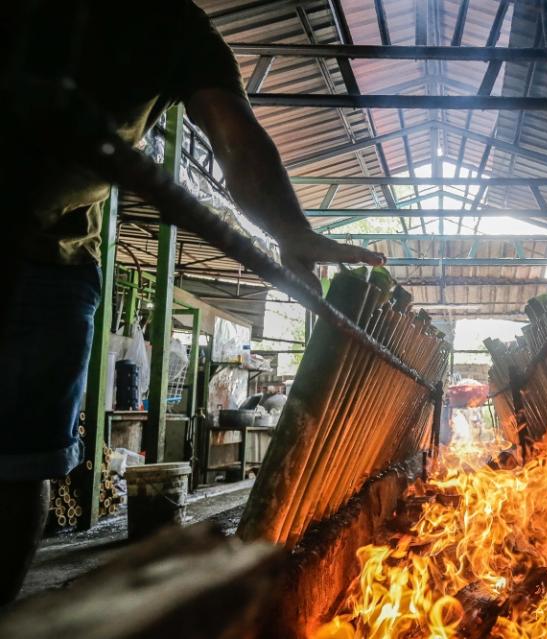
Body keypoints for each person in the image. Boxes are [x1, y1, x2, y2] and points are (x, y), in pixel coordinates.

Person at [0, 0, 383, 602]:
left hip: (49, 256)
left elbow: (236, 139)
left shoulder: (171, 23)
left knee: (22, 461)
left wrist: (291, 230)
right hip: (48, 263)